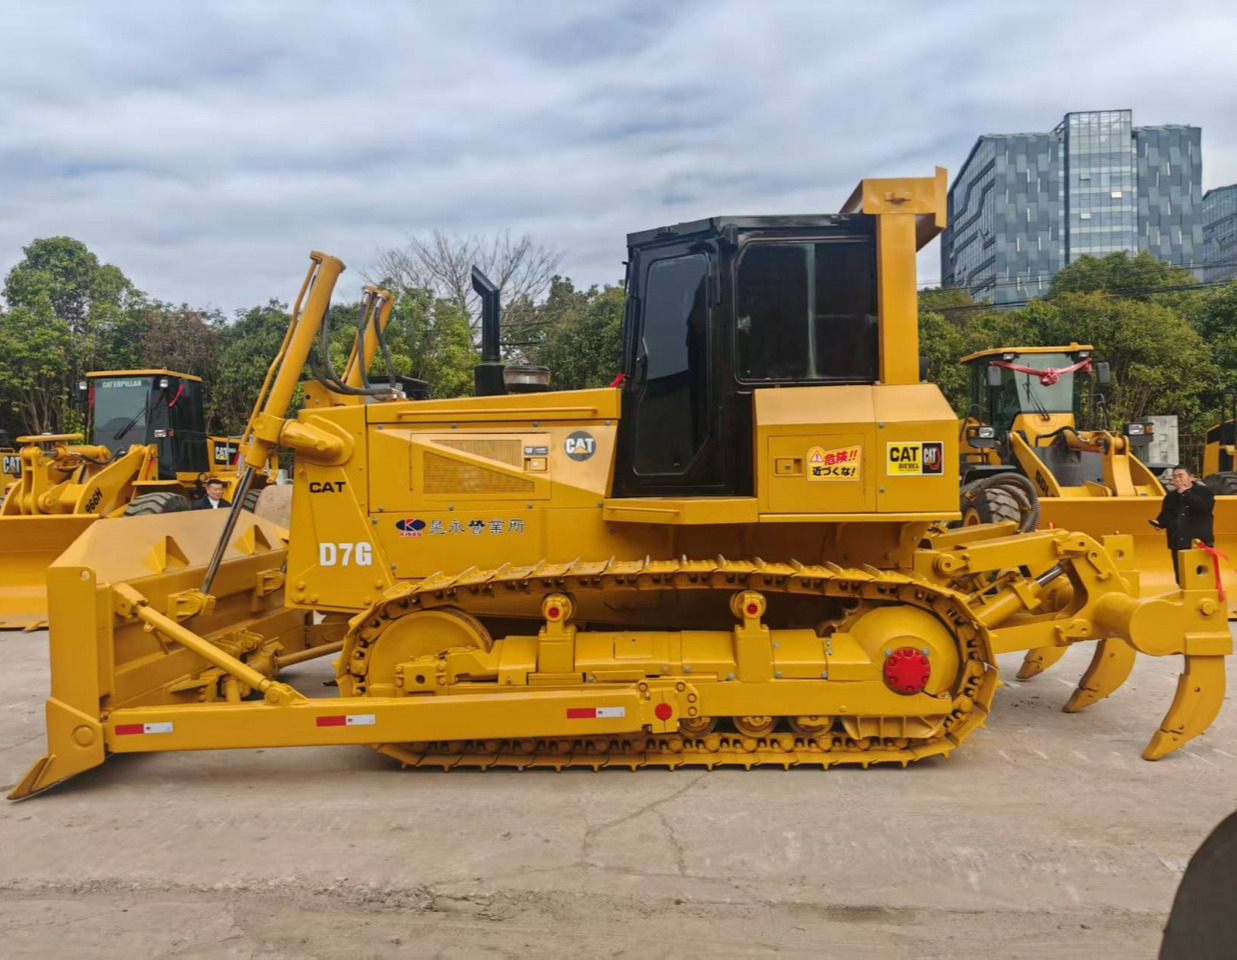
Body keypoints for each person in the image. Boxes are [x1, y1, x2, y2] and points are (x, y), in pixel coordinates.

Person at [1150, 465, 1215, 585]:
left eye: (1181, 476)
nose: (1177, 480)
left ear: (1190, 477)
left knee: (1200, 577)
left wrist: (1185, 493)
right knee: (1182, 577)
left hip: (1198, 544)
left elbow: (1205, 508)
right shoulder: (1170, 497)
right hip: (1177, 543)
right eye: (1174, 477)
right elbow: (1166, 514)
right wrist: (1160, 523)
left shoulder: (1204, 492)